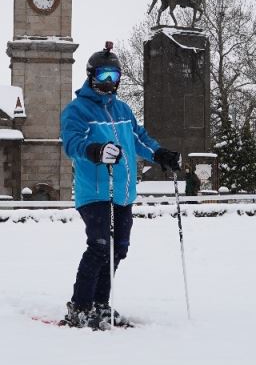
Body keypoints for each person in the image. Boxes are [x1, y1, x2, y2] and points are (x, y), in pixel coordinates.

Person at [60, 41, 181, 329]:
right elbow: (72, 143)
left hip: (123, 193)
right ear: (90, 77)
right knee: (100, 246)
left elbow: (139, 139)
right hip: (95, 192)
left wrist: (160, 154)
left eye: (113, 77)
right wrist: (96, 151)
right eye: (102, 76)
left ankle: (101, 304)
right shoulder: (77, 110)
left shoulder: (123, 109)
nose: (108, 83)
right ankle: (81, 306)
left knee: (119, 249)